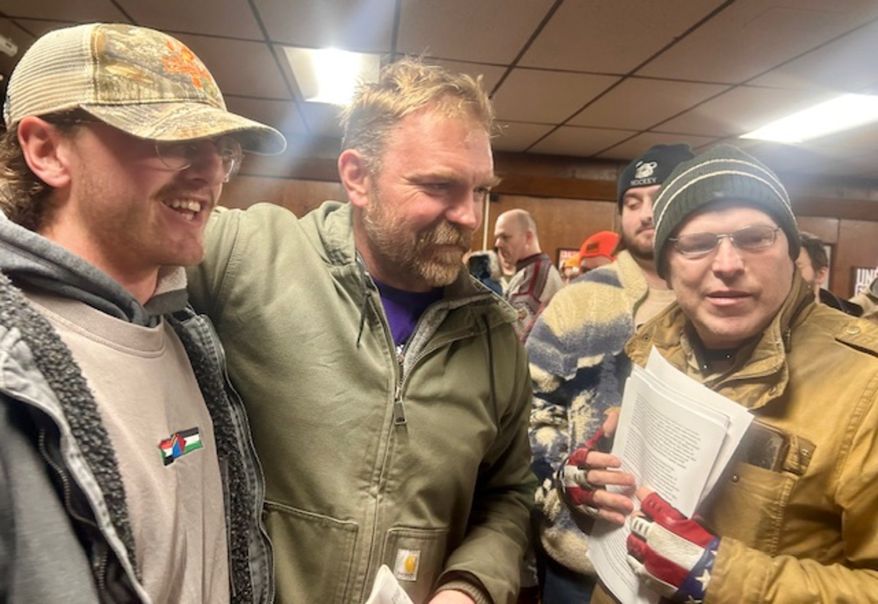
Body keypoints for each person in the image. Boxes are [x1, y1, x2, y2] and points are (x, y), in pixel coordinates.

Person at [188, 58, 535, 604]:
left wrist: (470, 586)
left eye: (481, 190)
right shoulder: (248, 256)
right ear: (357, 177)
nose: (470, 216)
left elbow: (509, 495)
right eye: (439, 186)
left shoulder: (494, 334)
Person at [0, 23, 285, 602]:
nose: (210, 174)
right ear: (46, 149)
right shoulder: (14, 368)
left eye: (221, 151)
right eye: (173, 142)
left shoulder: (181, 336)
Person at [567, 144, 878, 603]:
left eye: (754, 238)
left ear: (790, 252)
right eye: (696, 244)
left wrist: (717, 573)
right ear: (668, 267)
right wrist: (588, 490)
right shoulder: (656, 347)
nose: (728, 264)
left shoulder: (865, 384)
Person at [525, 143, 693, 602]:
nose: (644, 213)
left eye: (659, 197)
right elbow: (532, 409)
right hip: (579, 555)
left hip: (681, 562)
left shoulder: (717, 299)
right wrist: (562, 488)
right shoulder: (580, 301)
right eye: (632, 202)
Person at [493, 209, 563, 340]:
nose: (498, 244)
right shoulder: (532, 271)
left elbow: (510, 335)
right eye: (497, 238)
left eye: (505, 237)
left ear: (528, 237)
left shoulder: (536, 275)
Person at [797, 231, 862, 315]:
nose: (786, 274)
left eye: (796, 267)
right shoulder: (775, 323)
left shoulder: (851, 322)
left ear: (820, 275)